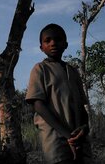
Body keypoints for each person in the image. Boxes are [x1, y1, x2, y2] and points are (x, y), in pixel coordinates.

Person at [26, 23, 91, 164]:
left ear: (66, 44)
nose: (53, 43)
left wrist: (84, 128)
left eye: (58, 39)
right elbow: (38, 105)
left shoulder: (73, 71)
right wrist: (68, 136)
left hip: (78, 138)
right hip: (55, 138)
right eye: (47, 40)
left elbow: (81, 105)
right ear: (41, 47)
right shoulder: (40, 69)